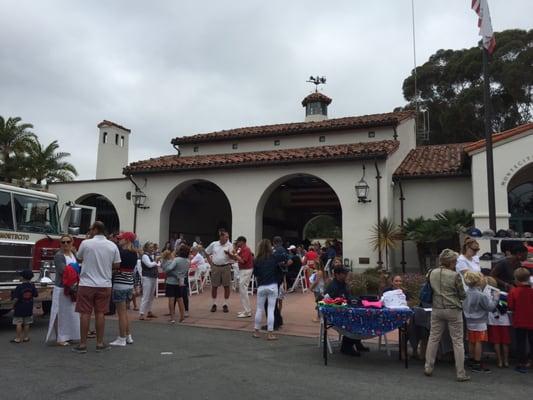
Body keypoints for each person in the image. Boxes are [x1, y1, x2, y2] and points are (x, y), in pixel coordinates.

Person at [73, 221, 121, 353]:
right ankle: (99, 343)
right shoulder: (112, 245)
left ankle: (82, 344)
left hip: (87, 283)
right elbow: (117, 264)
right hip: (104, 283)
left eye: (90, 229)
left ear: (95, 229)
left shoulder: (86, 243)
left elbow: (79, 258)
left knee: (85, 313)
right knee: (100, 313)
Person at [424, 249, 469, 382]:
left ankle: (428, 367)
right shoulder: (455, 276)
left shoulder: (431, 272)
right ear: (451, 262)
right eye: (454, 261)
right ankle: (460, 372)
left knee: (433, 337)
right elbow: (462, 294)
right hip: (453, 309)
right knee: (457, 341)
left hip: (437, 308)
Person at [324, 266, 369, 356]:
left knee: (360, 317)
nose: (346, 275)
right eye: (344, 274)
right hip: (335, 314)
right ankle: (346, 346)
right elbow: (329, 302)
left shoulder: (343, 284)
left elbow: (347, 297)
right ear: (337, 274)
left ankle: (356, 341)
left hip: (344, 311)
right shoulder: (333, 286)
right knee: (355, 320)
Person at [45, 234, 80, 346]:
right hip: (62, 288)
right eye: (63, 242)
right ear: (60, 244)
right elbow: (63, 271)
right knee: (60, 314)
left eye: (68, 242)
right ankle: (60, 338)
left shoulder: (73, 253)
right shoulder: (59, 256)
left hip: (72, 288)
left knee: (70, 313)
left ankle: (69, 335)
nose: (65, 244)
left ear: (72, 242)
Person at [462, 271, 499, 373]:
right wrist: (495, 298)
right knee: (478, 341)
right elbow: (490, 307)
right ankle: (477, 363)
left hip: (469, 320)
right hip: (480, 321)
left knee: (471, 341)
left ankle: (471, 359)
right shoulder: (481, 295)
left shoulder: (465, 293)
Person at [109, 231, 137, 346]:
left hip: (120, 283)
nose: (119, 240)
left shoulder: (121, 253)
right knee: (124, 312)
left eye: (121, 239)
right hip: (129, 284)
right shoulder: (134, 254)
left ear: (127, 240)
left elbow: (114, 266)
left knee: (121, 313)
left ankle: (121, 338)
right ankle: (128, 335)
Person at [253, 239, 280, 340]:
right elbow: (278, 269)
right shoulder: (274, 258)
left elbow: (255, 274)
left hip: (261, 286)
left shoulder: (256, 260)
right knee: (271, 310)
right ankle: (270, 333)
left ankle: (256, 331)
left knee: (259, 309)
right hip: (272, 285)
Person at [507, 267, 533, 373]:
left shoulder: (514, 291)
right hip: (532, 320)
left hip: (519, 321)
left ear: (516, 279)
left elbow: (511, 306)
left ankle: (521, 363)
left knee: (520, 343)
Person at [205, 230, 234, 313]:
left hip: (226, 267)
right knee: (214, 286)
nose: (227, 239)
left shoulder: (230, 245)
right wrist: (211, 263)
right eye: (226, 237)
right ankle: (214, 304)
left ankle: (225, 304)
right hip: (216, 267)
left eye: (228, 237)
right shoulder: (214, 244)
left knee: (226, 286)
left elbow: (233, 257)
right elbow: (206, 252)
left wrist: (229, 254)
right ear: (221, 237)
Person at [485, 276, 511, 368]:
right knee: (505, 342)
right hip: (504, 321)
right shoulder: (504, 294)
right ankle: (506, 361)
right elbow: (509, 306)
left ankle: (499, 361)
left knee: (496, 342)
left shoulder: (486, 295)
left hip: (492, 321)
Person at [162, 245, 189, 323]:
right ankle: (182, 316)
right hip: (180, 282)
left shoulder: (176, 260)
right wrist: (179, 275)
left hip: (171, 281)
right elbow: (184, 273)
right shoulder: (187, 261)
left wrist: (167, 270)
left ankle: (172, 318)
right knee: (180, 299)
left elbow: (169, 268)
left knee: (171, 299)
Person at [10, 270, 38, 343]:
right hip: (29, 307)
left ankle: (18, 338)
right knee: (27, 323)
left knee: (18, 323)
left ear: (22, 277)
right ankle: (26, 337)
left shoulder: (19, 287)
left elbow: (16, 298)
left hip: (19, 308)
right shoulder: (32, 286)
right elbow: (36, 294)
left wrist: (13, 305)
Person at [233, 236, 254, 318]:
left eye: (238, 241)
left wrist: (235, 254)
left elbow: (242, 260)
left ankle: (247, 311)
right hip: (244, 270)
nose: (237, 243)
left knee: (243, 290)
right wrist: (234, 250)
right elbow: (236, 258)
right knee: (242, 290)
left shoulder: (246, 249)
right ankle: (246, 310)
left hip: (246, 270)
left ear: (242, 242)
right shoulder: (241, 249)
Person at [139, 242, 160, 320]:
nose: (152, 249)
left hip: (153, 276)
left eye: (152, 247)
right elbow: (149, 265)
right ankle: (141, 313)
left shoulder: (151, 255)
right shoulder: (144, 256)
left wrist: (156, 262)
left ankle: (149, 311)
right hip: (147, 277)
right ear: (146, 248)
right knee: (146, 295)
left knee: (151, 296)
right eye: (150, 247)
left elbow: (156, 264)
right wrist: (156, 262)